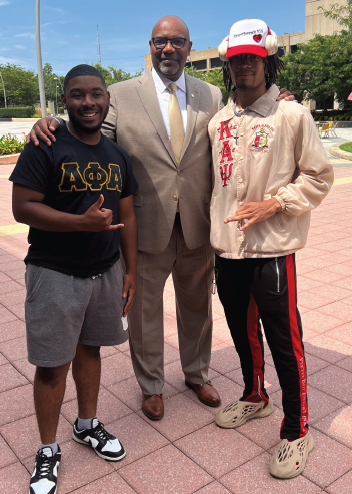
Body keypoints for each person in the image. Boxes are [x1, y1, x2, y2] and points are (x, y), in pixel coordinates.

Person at [27, 15, 294, 421]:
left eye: (177, 42)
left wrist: (278, 102)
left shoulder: (209, 94)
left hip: (197, 227)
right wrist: (52, 125)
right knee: (144, 312)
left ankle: (196, 373)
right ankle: (151, 385)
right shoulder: (119, 94)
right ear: (150, 46)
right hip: (144, 228)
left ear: (189, 48)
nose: (168, 49)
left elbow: (235, 129)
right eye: (160, 41)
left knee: (197, 310)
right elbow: (90, 128)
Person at [208, 19, 334, 479]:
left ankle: (297, 429)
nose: (243, 66)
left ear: (267, 60)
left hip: (273, 248)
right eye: (236, 59)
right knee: (242, 334)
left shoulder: (291, 116)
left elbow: (319, 176)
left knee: (285, 339)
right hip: (227, 248)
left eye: (252, 58)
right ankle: (254, 396)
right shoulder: (219, 121)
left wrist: (275, 203)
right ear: (228, 63)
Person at [11, 65, 138, 494]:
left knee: (91, 351)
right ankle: (47, 449)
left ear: (107, 99)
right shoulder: (45, 144)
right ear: (64, 101)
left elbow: (127, 214)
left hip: (105, 272)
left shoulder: (117, 155)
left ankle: (86, 424)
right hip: (54, 272)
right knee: (51, 366)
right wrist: (79, 224)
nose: (89, 102)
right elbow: (22, 207)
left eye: (97, 94)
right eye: (78, 95)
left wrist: (131, 270)